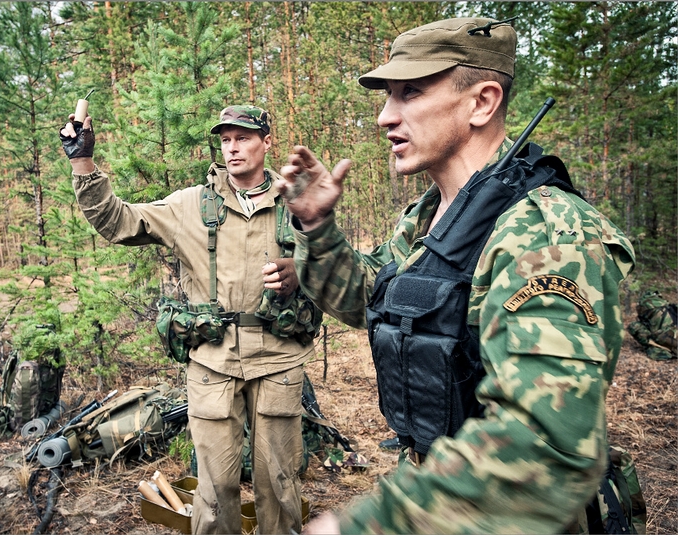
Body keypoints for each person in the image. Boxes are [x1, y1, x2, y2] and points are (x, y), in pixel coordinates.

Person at [277, 16, 636, 534]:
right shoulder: (430, 215)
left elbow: (544, 448)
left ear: (482, 102)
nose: (384, 117)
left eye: (410, 93)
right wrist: (316, 227)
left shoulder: (547, 236)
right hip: (442, 496)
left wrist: (363, 526)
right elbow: (374, 301)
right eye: (387, 96)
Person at [60, 104, 316, 534]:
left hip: (279, 360)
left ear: (267, 142)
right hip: (212, 363)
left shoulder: (300, 201)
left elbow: (339, 267)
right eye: (226, 139)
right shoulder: (189, 205)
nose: (233, 148)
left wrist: (302, 270)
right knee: (215, 492)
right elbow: (117, 221)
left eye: (244, 138)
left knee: (282, 485)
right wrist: (82, 161)